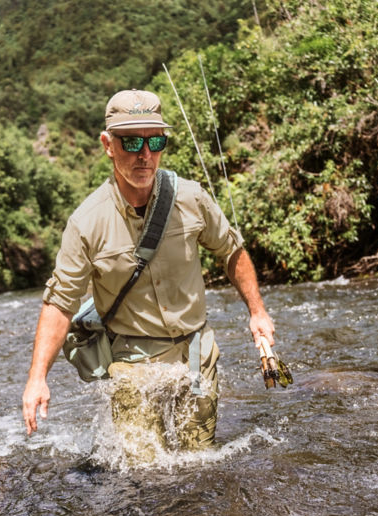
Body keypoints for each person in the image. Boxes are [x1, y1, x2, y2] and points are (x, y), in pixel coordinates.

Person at [22, 88, 275, 445]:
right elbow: (61, 302)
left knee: (198, 462)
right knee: (145, 476)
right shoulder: (86, 223)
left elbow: (231, 250)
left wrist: (257, 311)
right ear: (108, 145)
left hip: (197, 353)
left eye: (155, 142)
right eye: (131, 143)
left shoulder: (191, 198)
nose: (145, 156)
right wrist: (37, 378)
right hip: (133, 364)